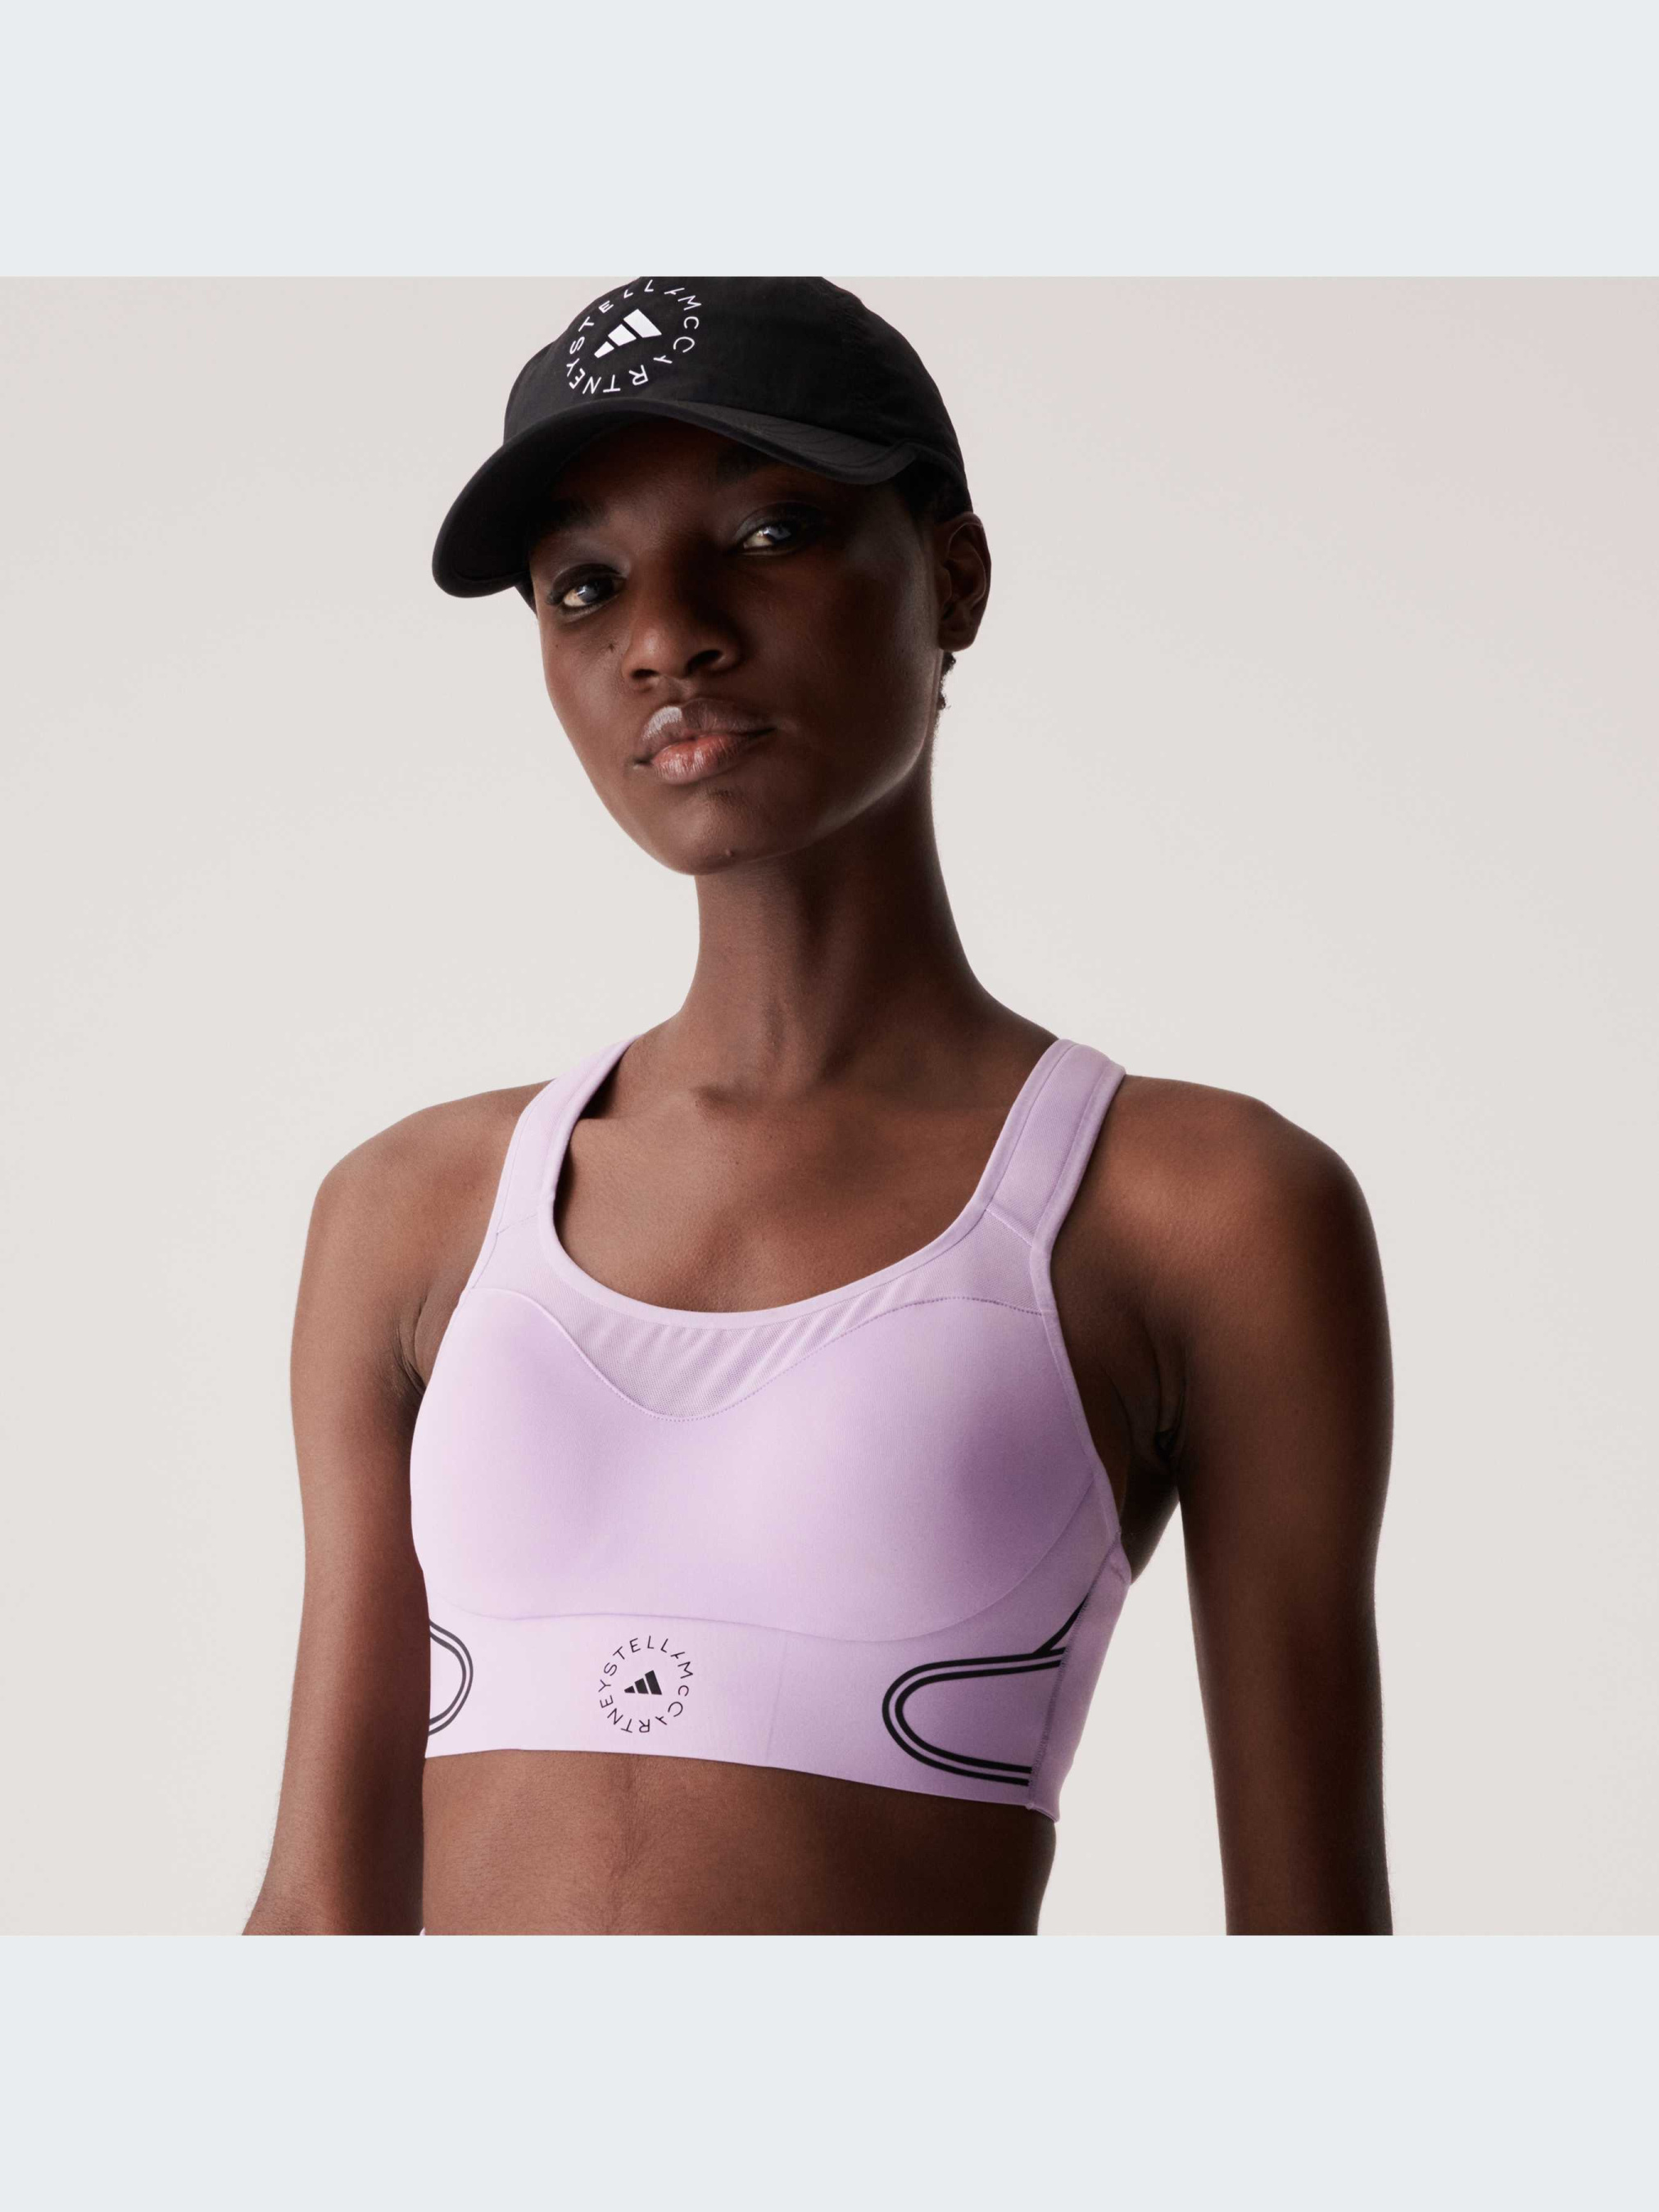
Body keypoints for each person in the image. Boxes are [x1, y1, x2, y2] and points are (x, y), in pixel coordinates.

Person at [245, 278, 1393, 1936]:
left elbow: (1312, 1953)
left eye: (770, 533)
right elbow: (315, 1917)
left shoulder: (1198, 1209)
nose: (665, 637)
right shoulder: (411, 1209)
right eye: (585, 585)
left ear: (955, 577)